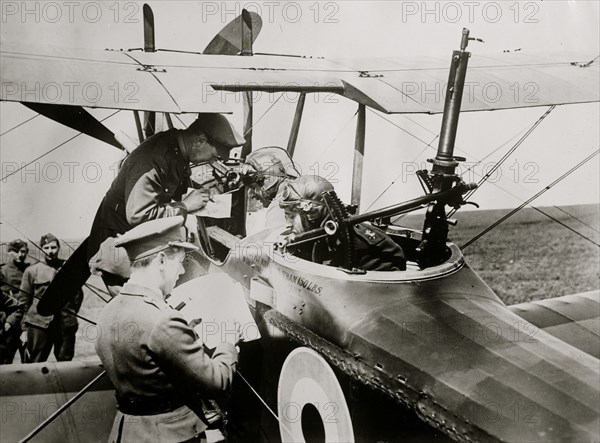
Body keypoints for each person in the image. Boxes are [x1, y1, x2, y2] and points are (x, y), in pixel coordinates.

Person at [95, 216, 239, 443]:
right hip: (170, 435)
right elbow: (217, 383)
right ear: (161, 260)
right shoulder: (163, 320)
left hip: (128, 432)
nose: (182, 271)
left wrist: (182, 338)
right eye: (180, 262)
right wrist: (228, 342)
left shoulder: (108, 312)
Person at [88, 113, 245, 294]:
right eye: (214, 156)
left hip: (141, 241)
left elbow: (174, 186)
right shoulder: (153, 158)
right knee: (148, 307)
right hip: (119, 249)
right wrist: (185, 206)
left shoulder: (176, 150)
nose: (212, 162)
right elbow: (139, 215)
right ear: (200, 141)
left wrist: (202, 193)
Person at [279, 175, 407, 271]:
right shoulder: (317, 234)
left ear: (312, 213)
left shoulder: (356, 241)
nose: (287, 224)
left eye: (291, 216)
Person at [18, 234, 83, 362]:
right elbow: (24, 301)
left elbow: (77, 295)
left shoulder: (68, 268)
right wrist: (24, 329)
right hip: (38, 324)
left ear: (58, 248)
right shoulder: (32, 271)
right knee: (35, 362)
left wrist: (70, 313)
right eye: (46, 247)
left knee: (65, 361)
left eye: (53, 247)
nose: (50, 251)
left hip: (64, 324)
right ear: (41, 249)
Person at [243, 147, 300, 235]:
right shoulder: (298, 192)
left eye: (254, 187)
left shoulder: (278, 207)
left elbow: (274, 245)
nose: (252, 195)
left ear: (267, 180)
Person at [0, 240, 29, 363]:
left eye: (22, 251)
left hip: (27, 322)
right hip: (10, 324)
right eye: (15, 252)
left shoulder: (30, 270)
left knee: (28, 360)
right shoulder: (2, 271)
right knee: (5, 359)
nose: (19, 255)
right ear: (9, 253)